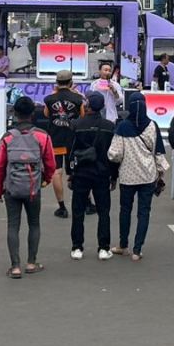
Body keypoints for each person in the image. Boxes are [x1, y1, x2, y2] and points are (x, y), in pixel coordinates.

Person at [0, 96, 56, 278]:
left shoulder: (7, 137)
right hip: (33, 187)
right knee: (34, 224)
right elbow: (50, 163)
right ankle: (31, 263)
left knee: (13, 225)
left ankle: (15, 267)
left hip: (12, 188)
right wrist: (46, 180)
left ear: (15, 113)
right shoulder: (42, 136)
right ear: (32, 113)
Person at [107, 93, 167, 261]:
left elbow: (114, 154)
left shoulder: (123, 126)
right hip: (148, 175)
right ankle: (137, 250)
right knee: (144, 212)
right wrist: (160, 173)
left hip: (128, 176)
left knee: (125, 210)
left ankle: (123, 245)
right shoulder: (152, 125)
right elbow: (159, 152)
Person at [66, 92, 117, 259]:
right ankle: (103, 247)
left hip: (81, 172)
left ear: (87, 105)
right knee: (104, 211)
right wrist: (114, 176)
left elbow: (70, 151)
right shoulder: (109, 126)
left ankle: (77, 247)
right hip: (102, 172)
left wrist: (70, 173)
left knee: (78, 210)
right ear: (102, 106)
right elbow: (113, 154)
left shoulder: (76, 124)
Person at [44, 70, 84, 219]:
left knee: (57, 172)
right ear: (71, 82)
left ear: (56, 82)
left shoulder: (49, 99)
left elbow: (46, 114)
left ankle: (62, 207)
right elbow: (82, 116)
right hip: (73, 140)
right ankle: (84, 202)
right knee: (77, 171)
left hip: (56, 140)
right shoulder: (78, 98)